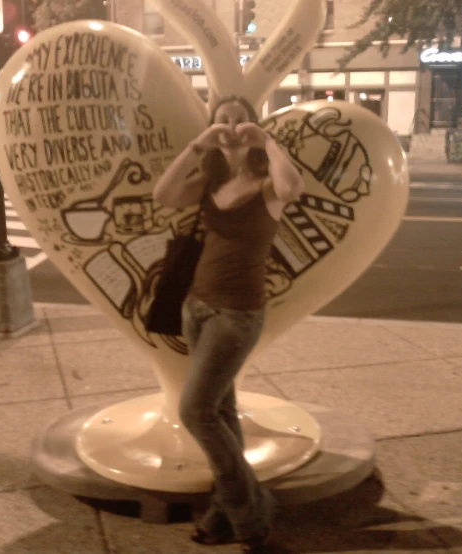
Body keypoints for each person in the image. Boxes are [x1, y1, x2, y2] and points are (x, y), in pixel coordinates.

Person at [153, 95, 304, 553]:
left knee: (194, 411)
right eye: (222, 122)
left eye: (240, 121)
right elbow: (161, 195)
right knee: (218, 412)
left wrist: (269, 141)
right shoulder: (208, 180)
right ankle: (223, 514)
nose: (232, 128)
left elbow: (293, 187)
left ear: (253, 128)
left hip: (237, 315)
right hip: (196, 308)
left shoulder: (266, 185)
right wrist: (197, 147)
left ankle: (249, 513)